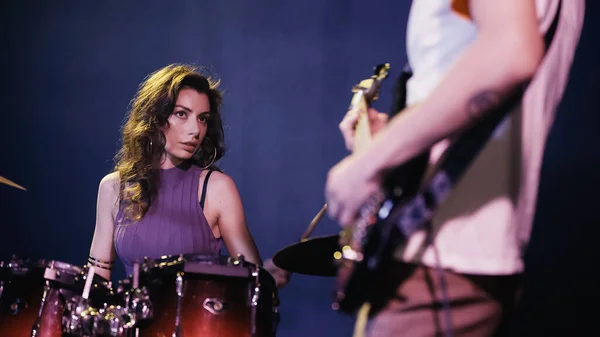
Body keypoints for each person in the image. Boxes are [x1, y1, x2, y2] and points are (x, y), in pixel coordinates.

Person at [325, 0, 585, 336]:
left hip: (436, 262)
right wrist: (395, 137)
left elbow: (509, 52)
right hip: (455, 261)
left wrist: (366, 167)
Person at [87, 64, 289, 287]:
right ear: (154, 117)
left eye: (202, 118)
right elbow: (95, 282)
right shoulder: (113, 187)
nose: (195, 130)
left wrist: (266, 277)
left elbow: (253, 286)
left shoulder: (216, 188)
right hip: (133, 322)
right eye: (181, 114)